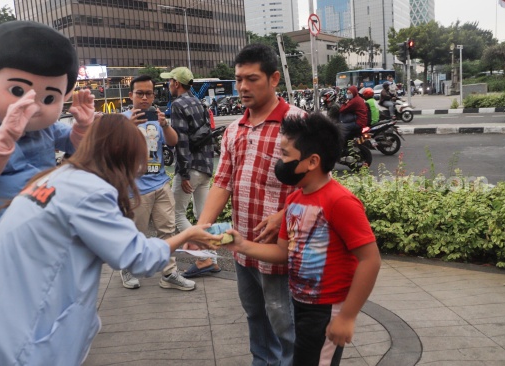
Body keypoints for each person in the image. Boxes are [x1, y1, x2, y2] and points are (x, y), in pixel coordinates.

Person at [0, 114, 222, 366]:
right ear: (121, 154)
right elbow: (137, 257)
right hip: (22, 333)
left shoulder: (60, 176)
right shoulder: (89, 191)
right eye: (139, 155)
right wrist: (187, 235)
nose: (141, 164)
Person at [226, 113, 381, 366]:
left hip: (328, 310)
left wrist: (347, 317)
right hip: (301, 304)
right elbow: (282, 253)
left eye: (285, 155)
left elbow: (370, 260)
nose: (279, 161)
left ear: (312, 162)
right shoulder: (294, 200)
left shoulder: (340, 202)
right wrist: (242, 245)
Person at [197, 44, 306, 366]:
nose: (243, 87)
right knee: (255, 314)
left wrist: (285, 215)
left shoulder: (298, 124)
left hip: (281, 247)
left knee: (285, 321)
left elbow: (318, 188)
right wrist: (201, 226)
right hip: (241, 242)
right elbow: (222, 182)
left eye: (252, 78)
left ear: (274, 79)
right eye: (239, 79)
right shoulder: (234, 129)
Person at [0, 21, 95, 251]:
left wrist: (83, 127)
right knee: (1, 284)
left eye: (48, 98)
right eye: (17, 91)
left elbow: (78, 146)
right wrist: (8, 133)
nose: (34, 105)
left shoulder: (46, 127)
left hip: (41, 218)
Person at [119, 75, 194, 291]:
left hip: (160, 183)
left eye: (149, 93)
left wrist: (165, 124)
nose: (144, 98)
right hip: (135, 188)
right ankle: (128, 268)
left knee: (167, 230)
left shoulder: (158, 117)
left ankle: (169, 273)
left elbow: (172, 142)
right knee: (136, 233)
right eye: (139, 93)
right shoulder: (121, 119)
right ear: (131, 95)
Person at [160, 67, 218, 278]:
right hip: (205, 166)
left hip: (190, 168)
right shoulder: (199, 103)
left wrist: (183, 174)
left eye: (170, 81)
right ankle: (212, 258)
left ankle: (204, 259)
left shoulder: (177, 105)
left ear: (176, 83)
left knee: (177, 215)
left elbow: (181, 143)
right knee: (203, 217)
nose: (168, 85)